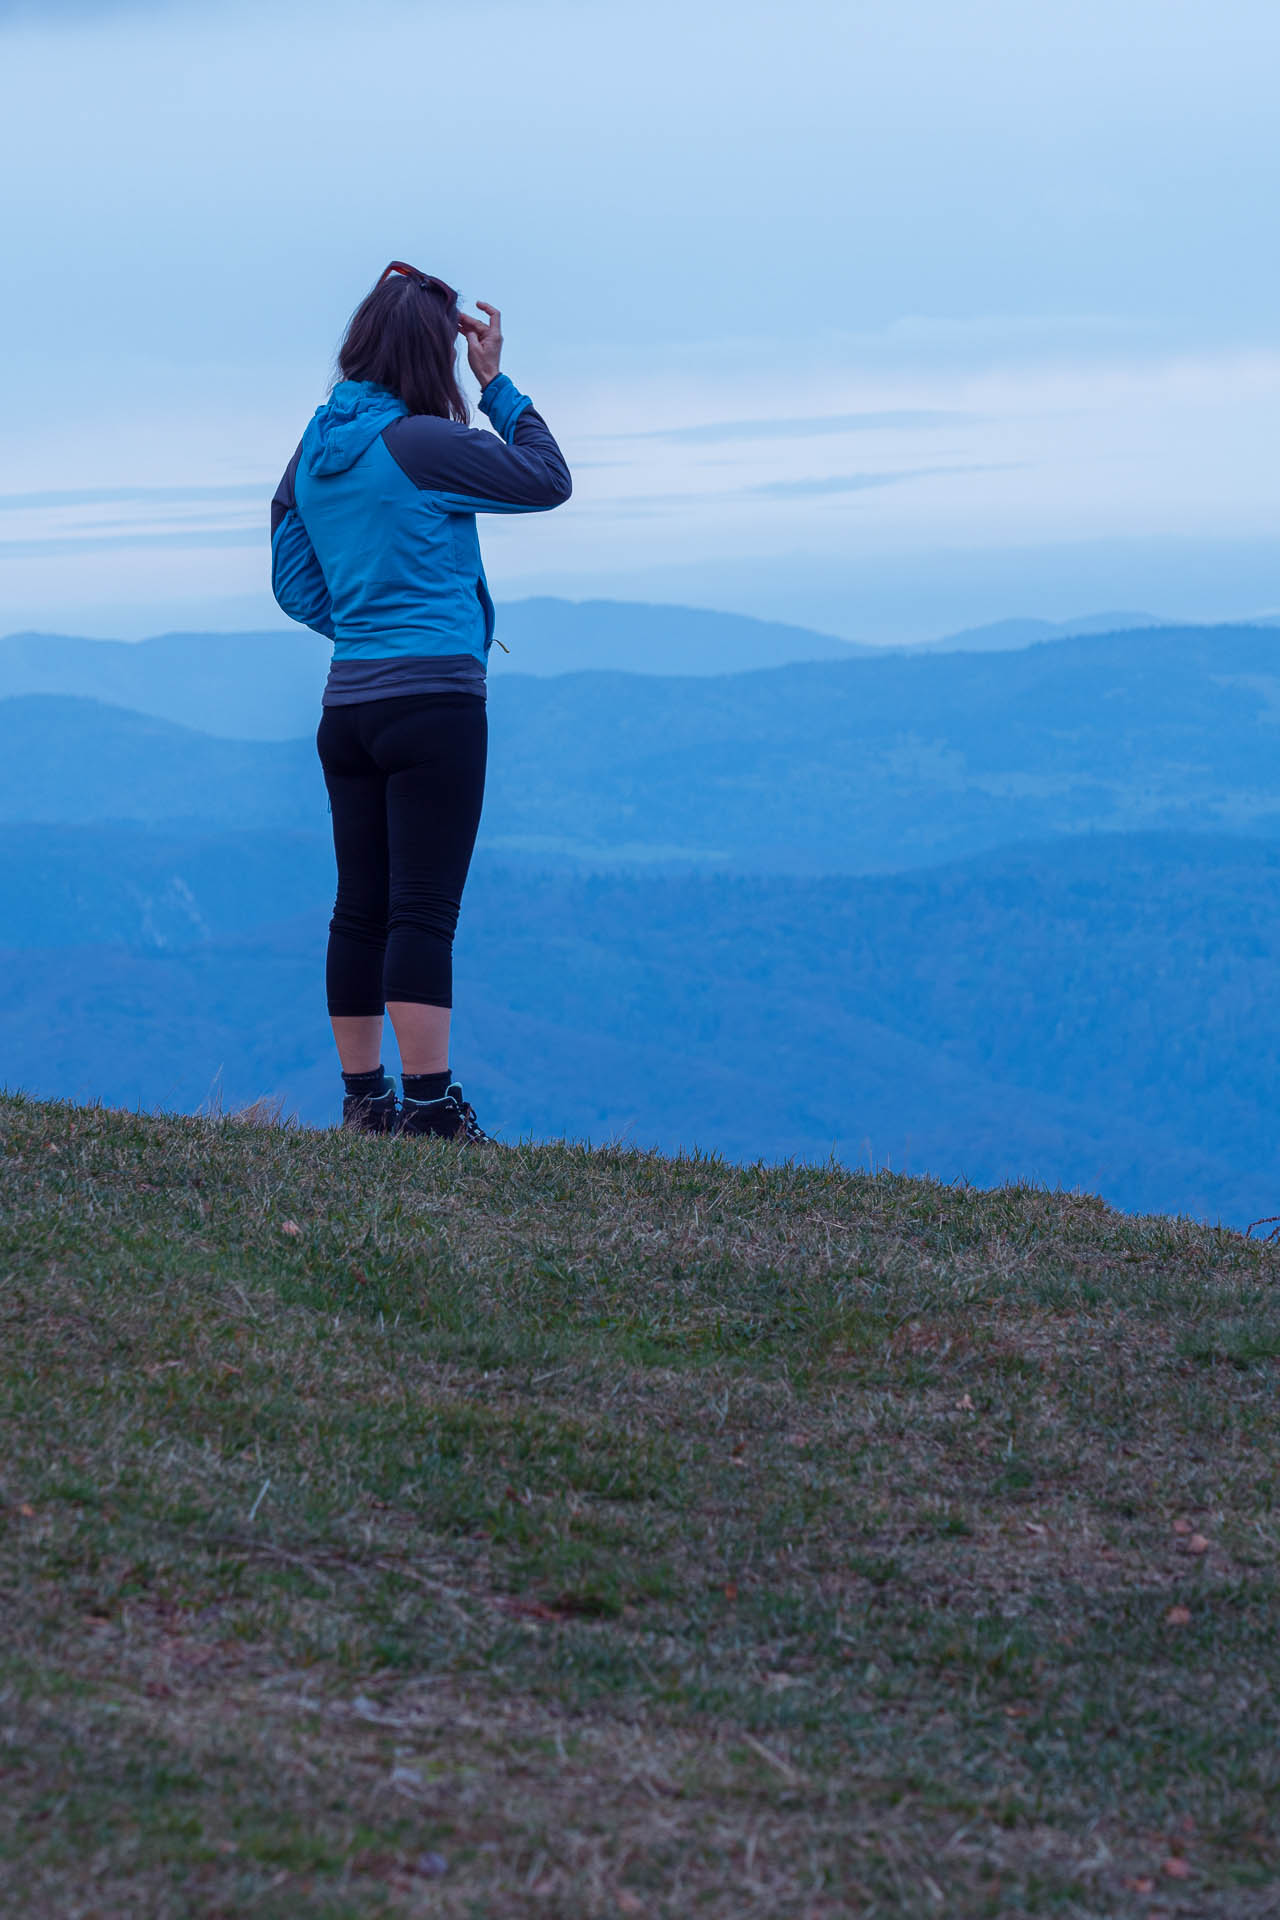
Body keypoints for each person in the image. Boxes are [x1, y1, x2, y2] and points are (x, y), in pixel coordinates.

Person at [270, 262, 572, 1139]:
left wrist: (363, 620)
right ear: (428, 355)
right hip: (433, 702)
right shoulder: (422, 444)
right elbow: (547, 478)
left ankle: (367, 1104)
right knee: (423, 908)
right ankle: (433, 1109)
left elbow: (294, 578)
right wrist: (496, 382)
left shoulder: (316, 448)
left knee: (359, 904)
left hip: (347, 707)